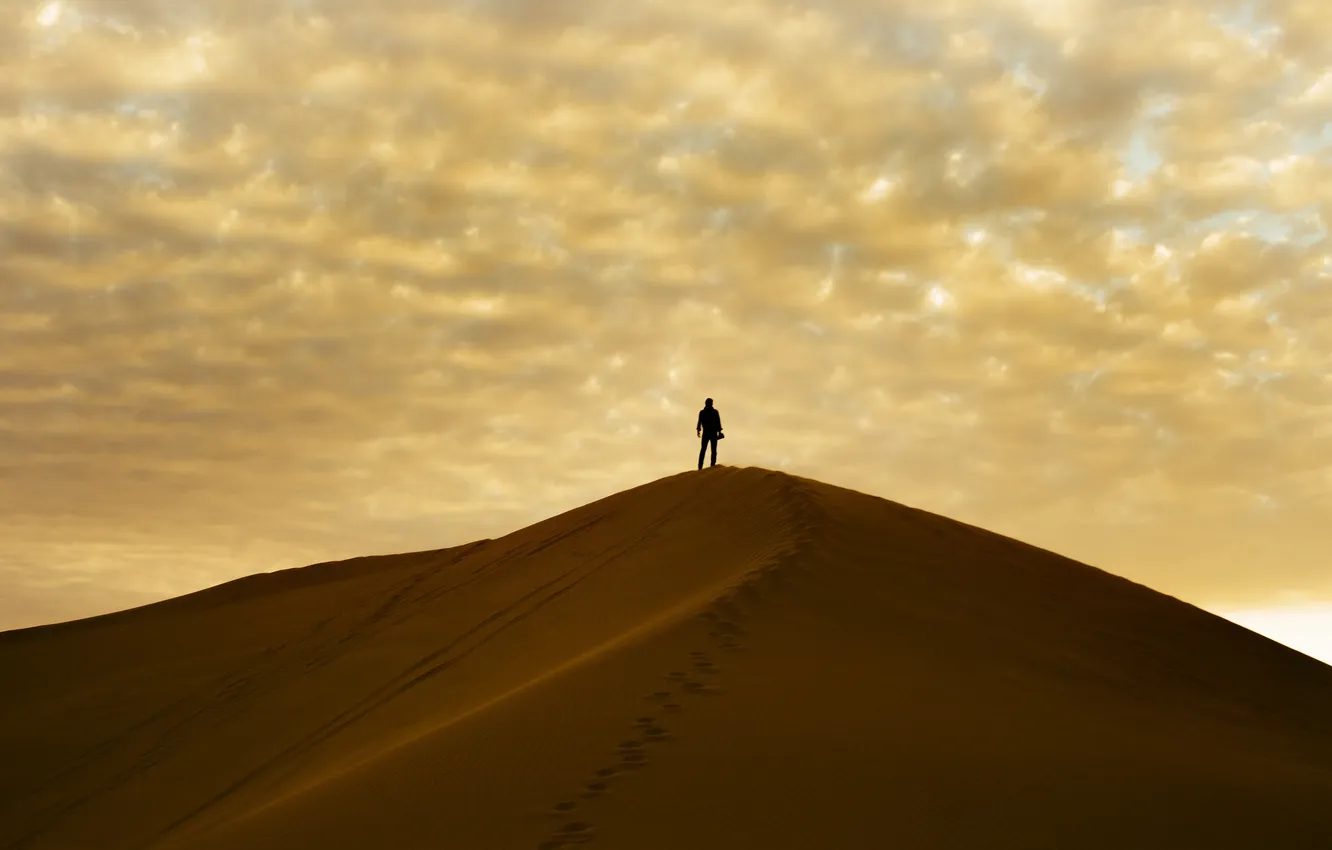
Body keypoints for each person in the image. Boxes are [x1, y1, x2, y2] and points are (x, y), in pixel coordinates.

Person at [696, 397, 723, 469]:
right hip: (708, 433)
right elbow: (699, 422)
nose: (710, 404)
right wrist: (698, 430)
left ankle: (711, 465)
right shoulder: (703, 412)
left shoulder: (714, 412)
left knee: (711, 450)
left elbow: (718, 422)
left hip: (712, 433)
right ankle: (701, 467)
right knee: (704, 450)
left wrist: (719, 431)